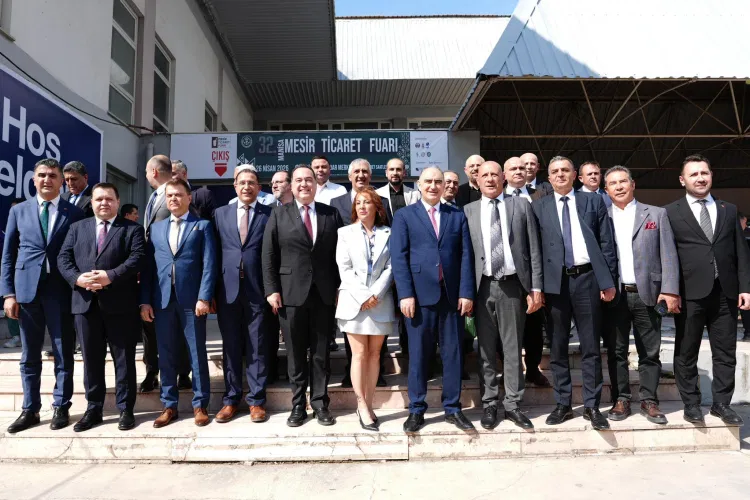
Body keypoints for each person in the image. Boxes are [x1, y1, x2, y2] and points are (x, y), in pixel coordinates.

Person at [531, 156, 617, 431]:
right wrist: (537, 287)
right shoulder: (538, 206)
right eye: (555, 171)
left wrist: (608, 281)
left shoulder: (593, 202)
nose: (560, 175)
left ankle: (592, 405)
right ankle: (563, 404)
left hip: (587, 279)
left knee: (590, 346)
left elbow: (607, 243)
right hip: (555, 284)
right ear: (549, 176)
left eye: (565, 170)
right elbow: (535, 250)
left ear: (574, 175)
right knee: (557, 346)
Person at [666, 154, 750, 425]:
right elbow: (667, 255)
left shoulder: (728, 210)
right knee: (686, 351)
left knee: (725, 352)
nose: (700, 178)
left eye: (704, 173)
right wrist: (669, 290)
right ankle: (691, 404)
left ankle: (721, 404)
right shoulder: (671, 212)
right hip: (688, 294)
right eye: (694, 174)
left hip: (726, 292)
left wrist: (745, 287)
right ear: (682, 180)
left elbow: (741, 252)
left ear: (711, 175)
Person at [1, 159, 84, 434]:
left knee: (63, 351)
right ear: (34, 179)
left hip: (61, 291)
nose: (47, 180)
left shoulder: (74, 213)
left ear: (62, 181)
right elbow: (8, 255)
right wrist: (8, 294)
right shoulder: (19, 211)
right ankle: (30, 409)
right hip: (27, 292)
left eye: (53, 175)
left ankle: (61, 406)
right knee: (29, 354)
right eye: (42, 175)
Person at [391, 166, 475, 432]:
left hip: (451, 298)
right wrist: (405, 294)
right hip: (418, 298)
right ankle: (416, 409)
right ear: (419, 184)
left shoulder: (456, 215)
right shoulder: (405, 216)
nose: (433, 186)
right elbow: (399, 258)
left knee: (453, 355)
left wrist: (466, 292)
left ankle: (453, 408)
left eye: (438, 181)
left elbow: (466, 256)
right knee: (418, 355)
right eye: (428, 181)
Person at [57, 183, 145, 432]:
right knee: (91, 360)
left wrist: (110, 276)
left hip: (120, 305)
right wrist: (77, 278)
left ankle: (125, 408)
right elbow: (63, 258)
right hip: (85, 304)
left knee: (124, 360)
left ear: (117, 202)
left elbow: (137, 258)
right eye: (99, 199)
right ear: (92, 203)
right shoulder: (77, 228)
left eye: (109, 199)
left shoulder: (132, 229)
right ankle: (93, 408)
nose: (104, 203)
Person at [262, 165, 344, 427]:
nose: (304, 184)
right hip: (290, 294)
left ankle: (320, 403)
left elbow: (340, 255)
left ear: (316, 184)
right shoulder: (278, 214)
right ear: (291, 185)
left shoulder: (331, 214)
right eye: (299, 180)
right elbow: (268, 255)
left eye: (309, 180)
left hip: (323, 294)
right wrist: (271, 289)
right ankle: (298, 405)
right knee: (296, 353)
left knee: (321, 353)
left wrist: (340, 287)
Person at [465, 162, 543, 430]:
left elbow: (534, 249)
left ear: (503, 178)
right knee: (485, 349)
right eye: (484, 175)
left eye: (494, 174)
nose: (489, 179)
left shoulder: (521, 205)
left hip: (512, 287)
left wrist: (535, 288)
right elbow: (465, 255)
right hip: (482, 287)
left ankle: (512, 404)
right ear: (477, 180)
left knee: (512, 347)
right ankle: (489, 402)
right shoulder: (469, 210)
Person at [604, 166, 679, 424]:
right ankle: (621, 399)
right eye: (613, 183)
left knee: (650, 351)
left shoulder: (656, 214)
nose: (619, 186)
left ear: (633, 184)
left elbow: (668, 254)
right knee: (616, 351)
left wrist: (669, 290)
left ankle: (649, 401)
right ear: (606, 190)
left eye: (623, 181)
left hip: (648, 293)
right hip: (615, 295)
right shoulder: (602, 217)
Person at [140, 179, 217, 428]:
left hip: (192, 301)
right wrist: (145, 302)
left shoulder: (202, 226)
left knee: (197, 354)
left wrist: (204, 297)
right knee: (166, 354)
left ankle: (200, 405)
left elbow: (209, 264)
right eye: (170, 195)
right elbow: (148, 269)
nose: (173, 199)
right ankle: (169, 405)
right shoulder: (156, 229)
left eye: (178, 195)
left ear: (189, 198)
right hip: (162, 301)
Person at [213, 166, 273, 424]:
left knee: (257, 345)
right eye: (242, 183)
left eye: (252, 183)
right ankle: (231, 399)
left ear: (259, 188)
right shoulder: (220, 214)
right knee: (231, 346)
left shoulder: (270, 214)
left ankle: (256, 401)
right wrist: (210, 291)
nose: (247, 187)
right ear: (235, 186)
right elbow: (213, 254)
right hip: (227, 290)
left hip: (257, 289)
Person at [335, 187, 395, 431]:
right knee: (359, 354)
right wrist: (363, 296)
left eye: (367, 202)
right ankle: (361, 405)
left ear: (376, 207)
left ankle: (369, 403)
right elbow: (345, 268)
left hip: (380, 301)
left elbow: (391, 267)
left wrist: (375, 294)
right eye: (358, 202)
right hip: (354, 301)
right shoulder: (344, 233)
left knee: (374, 355)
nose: (361, 206)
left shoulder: (389, 233)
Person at [330, 159, 391, 385]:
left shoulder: (383, 202)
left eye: (365, 171)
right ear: (349, 176)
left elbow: (389, 252)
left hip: (379, 289)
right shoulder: (337, 203)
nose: (361, 175)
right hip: (351, 287)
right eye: (356, 171)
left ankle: (377, 374)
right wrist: (356, 292)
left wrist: (376, 292)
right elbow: (339, 255)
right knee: (355, 343)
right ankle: (351, 374)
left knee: (376, 343)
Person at [140, 155, 191, 393]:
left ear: (153, 172)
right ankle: (152, 370)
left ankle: (183, 372)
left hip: (174, 274)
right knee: (148, 325)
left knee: (178, 326)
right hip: (151, 271)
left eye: (146, 172)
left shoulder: (177, 195)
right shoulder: (152, 198)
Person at [503, 157, 550, 387]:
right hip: (506, 272)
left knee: (533, 326)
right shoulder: (497, 197)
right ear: (505, 174)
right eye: (513, 168)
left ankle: (533, 369)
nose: (519, 171)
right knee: (506, 328)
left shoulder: (540, 196)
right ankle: (509, 372)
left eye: (522, 168)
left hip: (534, 271)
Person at [2, 199, 24, 349]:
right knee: (11, 303)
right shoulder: (7, 233)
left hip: (28, 275)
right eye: (12, 210)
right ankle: (16, 336)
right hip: (12, 274)